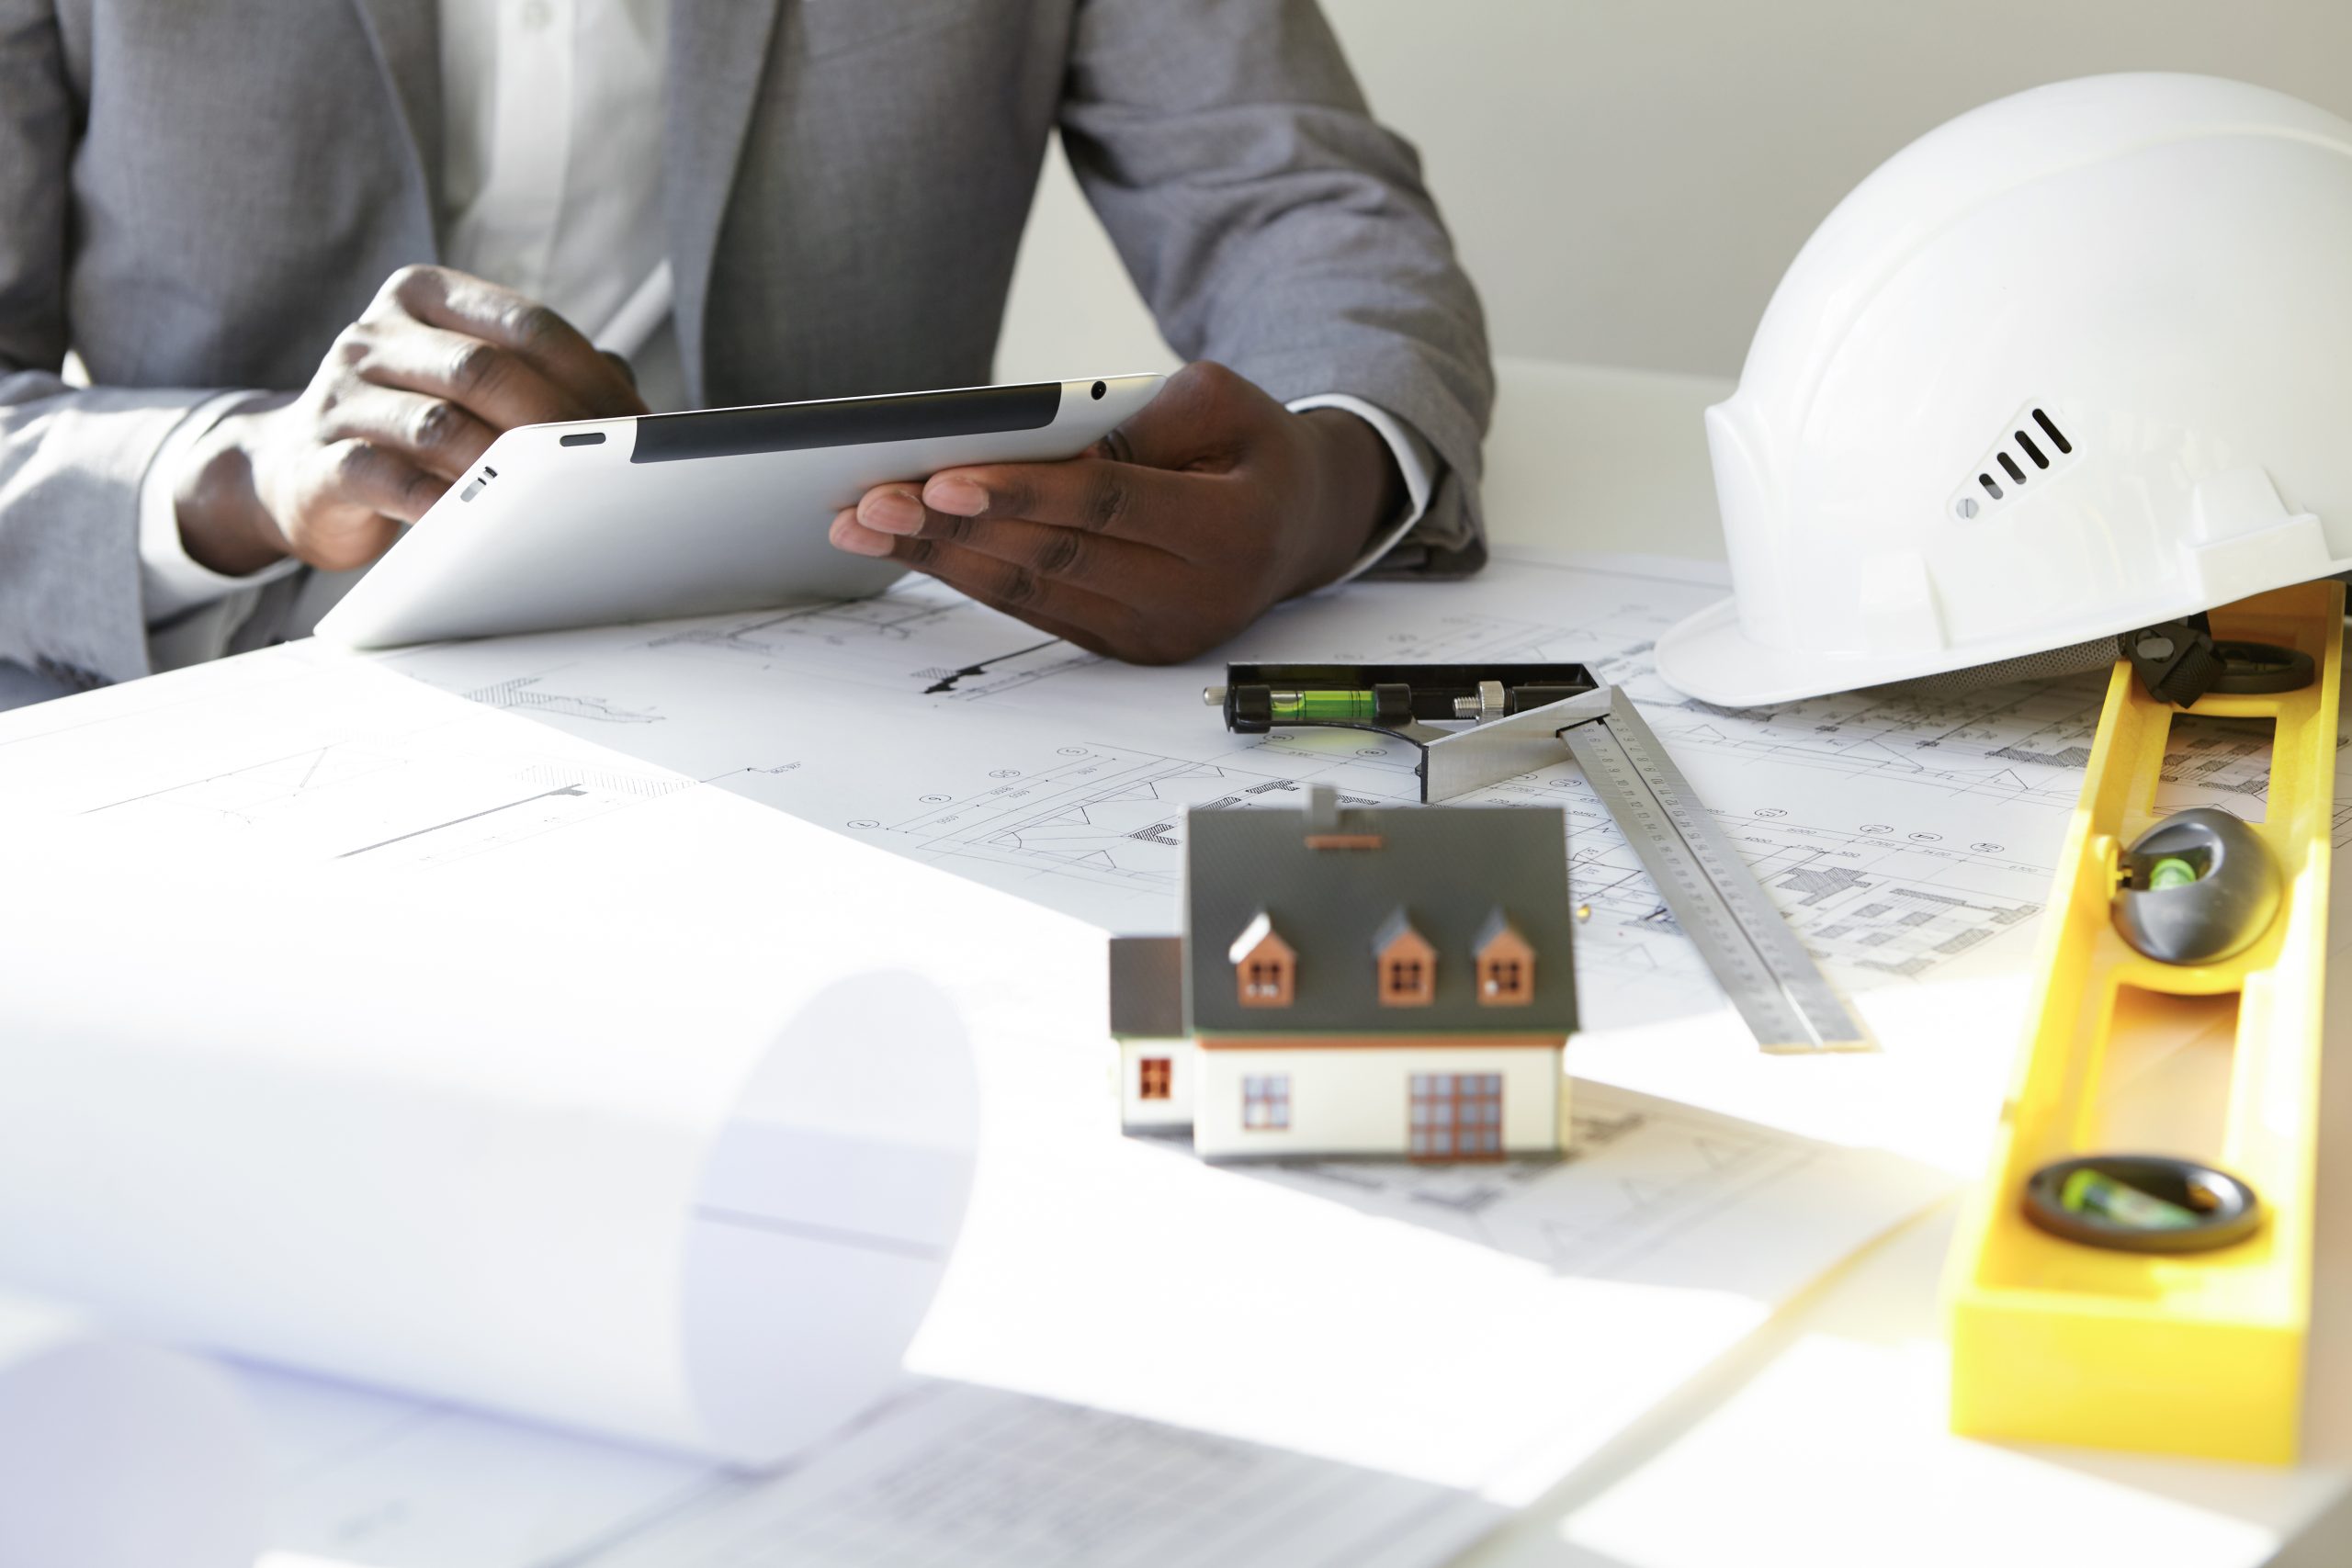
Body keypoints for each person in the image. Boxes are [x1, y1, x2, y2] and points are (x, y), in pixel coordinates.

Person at [0, 0, 1490, 703]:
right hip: (208, 717)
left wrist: (1330, 478)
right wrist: (231, 474)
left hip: (848, 694)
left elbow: (1301, 204)